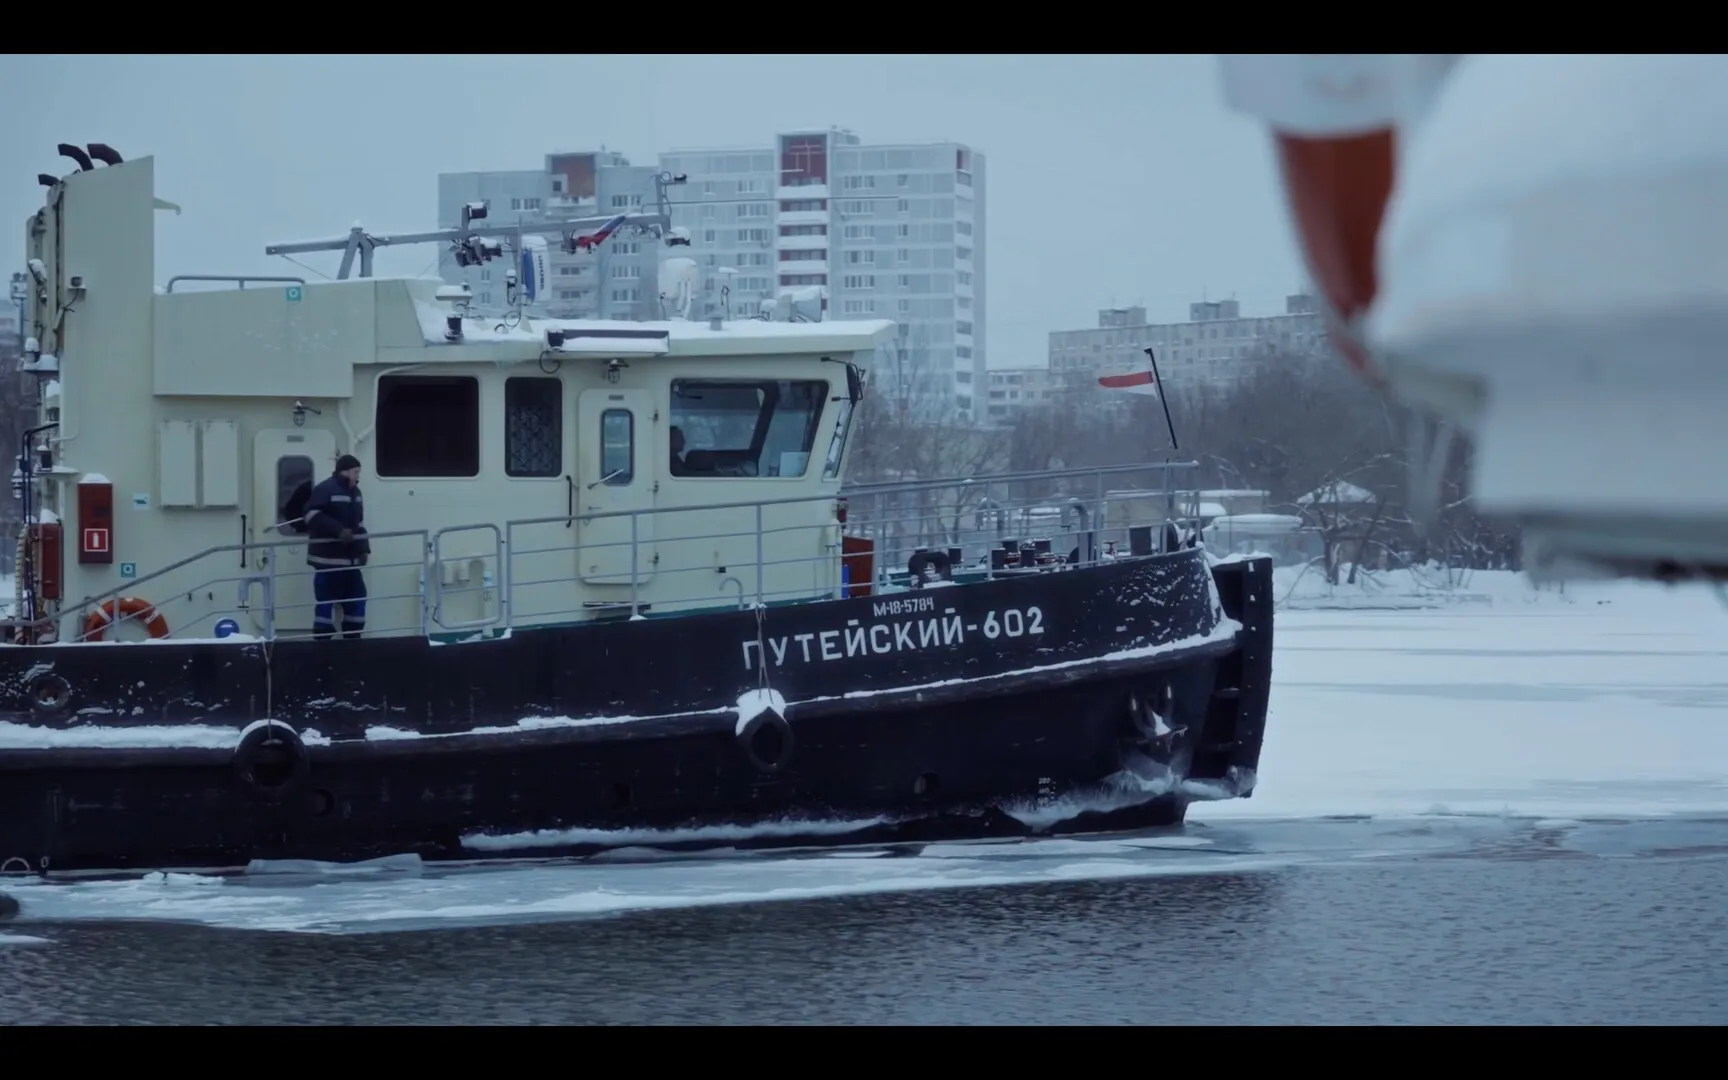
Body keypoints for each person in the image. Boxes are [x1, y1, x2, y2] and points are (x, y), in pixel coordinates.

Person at [301, 453, 370, 640]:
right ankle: (322, 642)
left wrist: (364, 549)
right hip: (327, 562)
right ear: (344, 472)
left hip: (351, 562)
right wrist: (338, 531)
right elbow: (311, 515)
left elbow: (359, 524)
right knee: (325, 603)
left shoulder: (356, 493)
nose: (358, 475)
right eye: (356, 471)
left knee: (357, 598)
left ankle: (353, 638)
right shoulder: (325, 489)